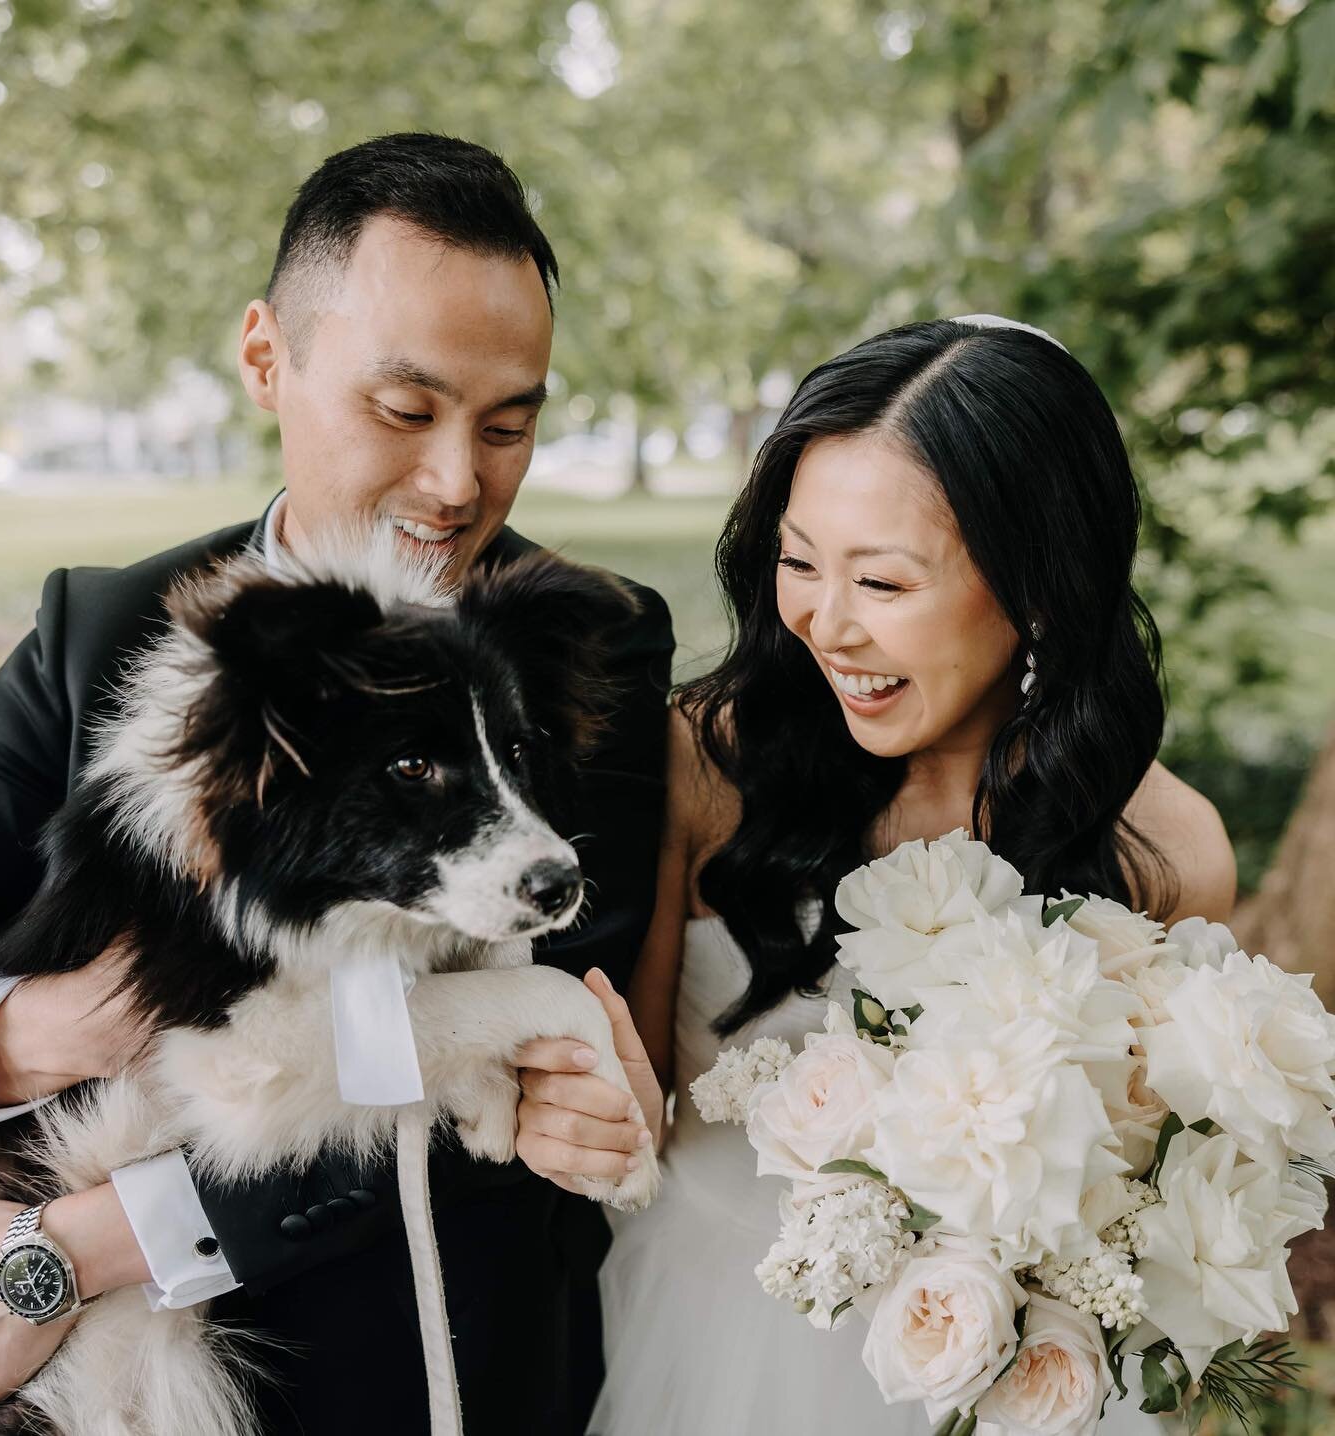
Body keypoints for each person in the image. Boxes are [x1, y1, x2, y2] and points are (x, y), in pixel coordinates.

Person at [0, 133, 672, 1436]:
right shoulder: (101, 629)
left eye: (508, 424)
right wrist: (42, 1030)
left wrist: (62, 1255)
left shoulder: (582, 638)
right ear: (268, 357)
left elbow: (517, 1051)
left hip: (409, 1364)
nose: (456, 483)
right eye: (406, 410)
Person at [515, 318, 1236, 1435]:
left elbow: (1146, 1216)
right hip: (707, 1354)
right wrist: (591, 1112)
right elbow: (635, 1104)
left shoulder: (1162, 852)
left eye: (884, 581)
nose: (825, 623)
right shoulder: (707, 764)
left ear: (1039, 586)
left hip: (999, 1388)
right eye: (799, 562)